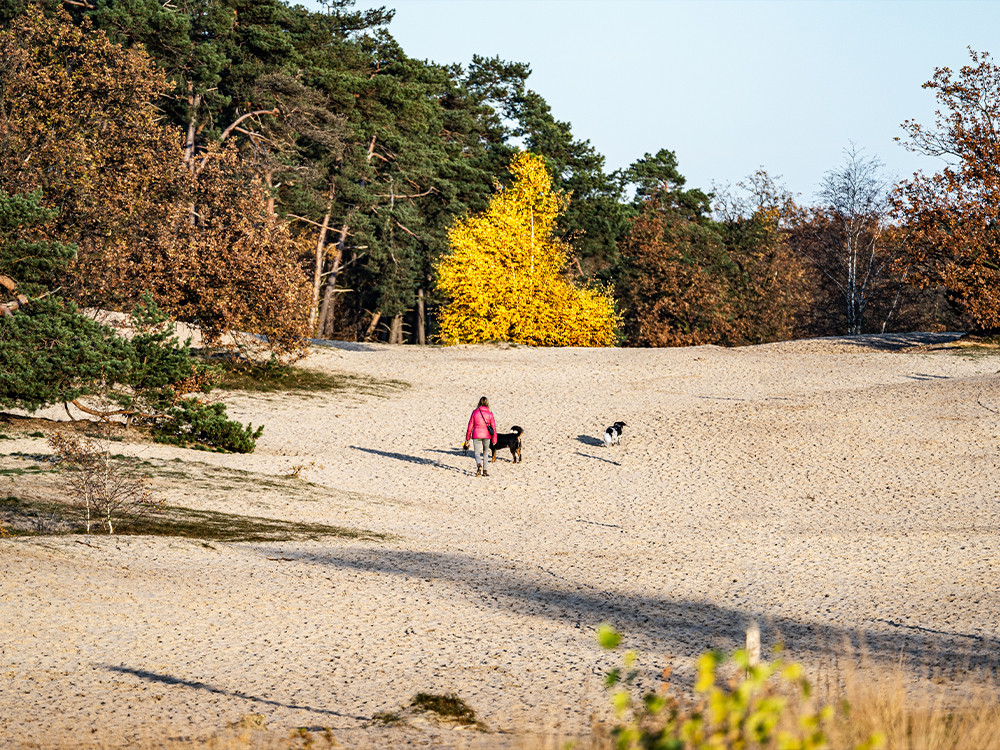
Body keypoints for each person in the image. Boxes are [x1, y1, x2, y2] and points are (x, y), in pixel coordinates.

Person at [463, 396, 497, 477]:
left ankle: (479, 465)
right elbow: (494, 427)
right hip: (487, 435)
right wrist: (494, 439)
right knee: (485, 454)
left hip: (476, 435)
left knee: (477, 453)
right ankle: (485, 472)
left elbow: (470, 426)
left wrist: (467, 438)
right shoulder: (490, 413)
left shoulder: (475, 412)